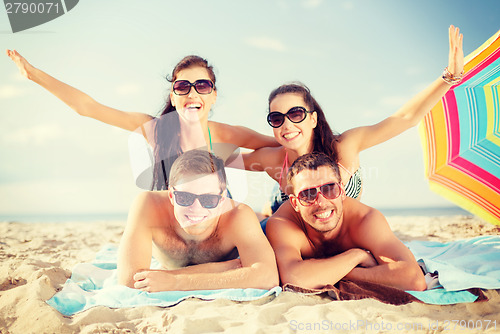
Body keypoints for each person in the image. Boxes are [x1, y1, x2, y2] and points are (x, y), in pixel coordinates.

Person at [244, 25, 464, 213]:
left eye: (296, 114)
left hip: (333, 224)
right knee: (273, 211)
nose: (287, 124)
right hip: (286, 212)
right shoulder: (272, 159)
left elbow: (405, 118)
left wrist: (449, 78)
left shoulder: (344, 147)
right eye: (276, 118)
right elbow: (223, 159)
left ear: (313, 119)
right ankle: (267, 208)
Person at [6, 51, 278, 189]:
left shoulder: (225, 133)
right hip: (169, 221)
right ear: (172, 96)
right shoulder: (157, 129)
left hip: (213, 219)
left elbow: (283, 146)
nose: (192, 93)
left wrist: (238, 164)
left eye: (202, 86)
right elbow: (87, 107)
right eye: (183, 86)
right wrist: (33, 74)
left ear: (214, 95)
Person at [118, 149, 278, 292]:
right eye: (185, 197)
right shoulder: (148, 205)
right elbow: (130, 280)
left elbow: (267, 276)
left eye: (209, 200)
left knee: (269, 224)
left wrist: (176, 281)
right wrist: (222, 269)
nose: (196, 208)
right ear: (171, 196)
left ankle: (266, 210)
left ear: (222, 199)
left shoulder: (238, 215)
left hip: (253, 223)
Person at [266, 152, 426, 291]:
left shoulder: (366, 220)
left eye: (329, 188)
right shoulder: (282, 223)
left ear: (342, 191)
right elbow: (295, 279)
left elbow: (414, 280)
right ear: (295, 203)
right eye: (307, 194)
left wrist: (341, 272)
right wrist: (355, 256)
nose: (321, 202)